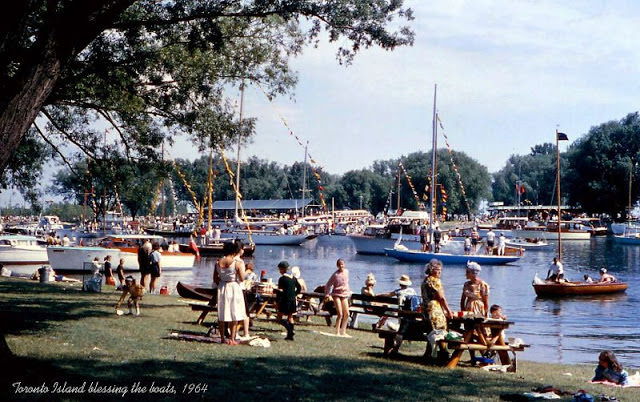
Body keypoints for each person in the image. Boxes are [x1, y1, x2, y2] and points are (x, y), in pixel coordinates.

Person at [214, 241, 247, 345]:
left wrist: (223, 280)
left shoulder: (218, 262)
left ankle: (223, 338)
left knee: (222, 313)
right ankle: (232, 339)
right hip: (233, 287)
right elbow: (242, 278)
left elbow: (215, 278)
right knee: (234, 312)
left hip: (222, 287)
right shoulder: (236, 263)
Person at [421, 259, 453, 360]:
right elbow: (441, 298)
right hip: (434, 309)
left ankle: (430, 353)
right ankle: (443, 353)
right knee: (439, 331)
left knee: (431, 331)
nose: (439, 272)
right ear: (431, 270)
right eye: (437, 270)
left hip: (425, 308)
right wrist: (448, 311)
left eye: (440, 270)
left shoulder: (425, 280)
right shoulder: (435, 281)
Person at [274, 260, 302, 341]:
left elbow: (280, 292)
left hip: (284, 300)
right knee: (290, 317)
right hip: (292, 300)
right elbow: (299, 288)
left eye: (280, 269)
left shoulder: (282, 279)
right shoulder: (293, 278)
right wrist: (294, 294)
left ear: (282, 269)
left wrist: (276, 301)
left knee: (279, 317)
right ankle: (290, 336)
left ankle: (290, 330)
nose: (279, 271)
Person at [324, 258, 352, 337]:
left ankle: (343, 331)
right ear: (337, 265)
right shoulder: (335, 275)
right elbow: (328, 285)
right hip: (336, 294)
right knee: (340, 313)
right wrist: (327, 294)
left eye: (342, 264)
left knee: (347, 313)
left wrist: (348, 291)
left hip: (345, 294)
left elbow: (346, 282)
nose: (341, 266)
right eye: (339, 265)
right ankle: (337, 331)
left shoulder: (347, 272)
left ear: (344, 264)